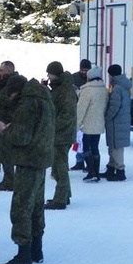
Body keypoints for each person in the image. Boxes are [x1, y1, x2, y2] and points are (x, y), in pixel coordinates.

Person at [0, 75, 55, 264]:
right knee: (36, 205)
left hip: (28, 160)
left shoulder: (27, 104)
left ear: (17, 91)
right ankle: (36, 250)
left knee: (21, 206)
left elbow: (21, 137)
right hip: (40, 159)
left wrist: (4, 130)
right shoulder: (44, 98)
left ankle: (23, 255)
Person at [44, 60, 78, 209]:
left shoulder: (65, 90)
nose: (48, 76)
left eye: (50, 73)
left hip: (61, 135)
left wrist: (52, 126)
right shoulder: (59, 88)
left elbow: (67, 114)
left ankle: (60, 199)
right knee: (59, 166)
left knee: (60, 167)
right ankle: (65, 195)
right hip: (60, 134)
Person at [76, 65, 107, 182]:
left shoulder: (87, 91)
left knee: (85, 148)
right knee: (95, 147)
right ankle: (96, 172)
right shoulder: (103, 90)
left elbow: (81, 109)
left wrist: (76, 125)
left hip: (87, 125)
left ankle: (91, 172)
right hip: (98, 123)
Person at [0, 61, 19, 190]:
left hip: (8, 121)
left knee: (7, 152)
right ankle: (8, 178)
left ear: (8, 71)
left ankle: (10, 180)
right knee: (3, 152)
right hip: (1, 121)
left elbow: (12, 102)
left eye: (2, 70)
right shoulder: (3, 83)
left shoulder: (14, 83)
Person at [104, 64, 132, 181]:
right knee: (114, 146)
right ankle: (111, 167)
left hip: (116, 123)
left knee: (116, 147)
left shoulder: (117, 88)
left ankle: (120, 171)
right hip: (122, 121)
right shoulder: (124, 85)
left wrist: (107, 117)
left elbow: (114, 106)